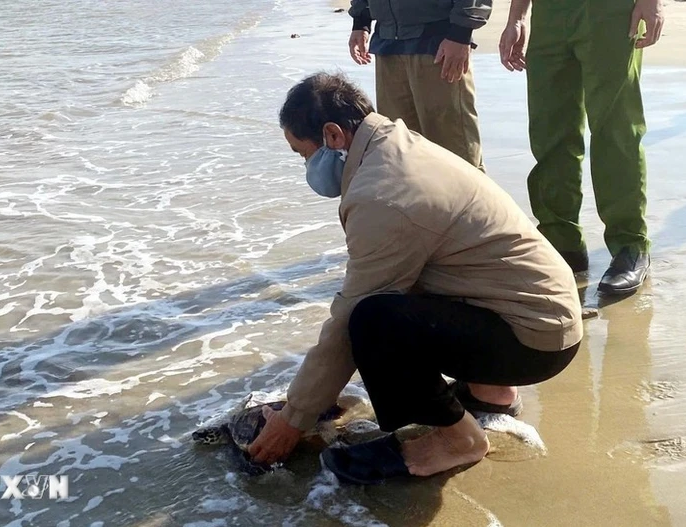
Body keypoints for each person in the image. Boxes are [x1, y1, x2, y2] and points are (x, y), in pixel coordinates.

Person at [247, 72, 583, 484]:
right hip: (544, 315)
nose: (306, 167)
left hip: (534, 341)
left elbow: (350, 317)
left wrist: (293, 419)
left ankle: (459, 441)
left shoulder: (382, 195)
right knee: (408, 290)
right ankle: (492, 392)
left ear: (333, 135)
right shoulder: (395, 143)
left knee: (372, 321)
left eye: (303, 154)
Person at [499, 0, 663, 295]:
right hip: (550, 13)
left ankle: (629, 246)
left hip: (610, 11)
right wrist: (517, 16)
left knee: (615, 130)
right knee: (550, 130)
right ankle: (561, 243)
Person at [347, 0, 492, 171]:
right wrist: (361, 21)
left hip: (439, 44)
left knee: (456, 156)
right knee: (398, 153)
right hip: (387, 43)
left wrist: (461, 34)